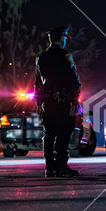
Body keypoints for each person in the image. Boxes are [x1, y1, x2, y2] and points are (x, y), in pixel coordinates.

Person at [34, 26, 81, 177]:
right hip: (63, 101)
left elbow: (37, 82)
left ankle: (49, 167)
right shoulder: (65, 55)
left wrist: (38, 102)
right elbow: (73, 79)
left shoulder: (41, 56)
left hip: (46, 102)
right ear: (61, 38)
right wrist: (75, 101)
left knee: (49, 134)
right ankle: (61, 166)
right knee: (63, 133)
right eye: (65, 38)